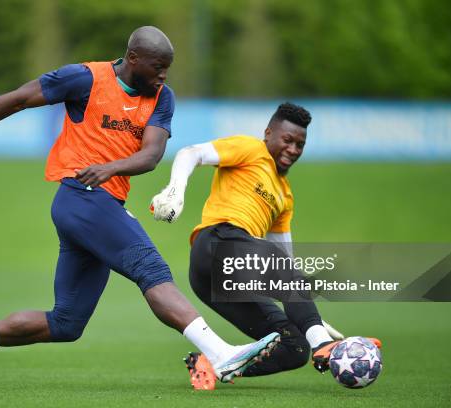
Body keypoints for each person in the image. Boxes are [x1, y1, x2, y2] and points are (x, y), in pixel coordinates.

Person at [0, 26, 280, 389]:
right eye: (158, 66)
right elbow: (15, 100)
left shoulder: (161, 97)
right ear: (133, 58)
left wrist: (111, 168)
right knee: (149, 266)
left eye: (167, 68)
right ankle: (219, 354)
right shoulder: (83, 78)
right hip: (80, 199)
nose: (164, 75)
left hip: (97, 204)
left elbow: (151, 155)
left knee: (66, 323)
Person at [150, 102, 381, 390]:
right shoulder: (250, 149)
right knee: (276, 262)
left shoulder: (284, 196)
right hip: (216, 246)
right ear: (268, 133)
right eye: (288, 140)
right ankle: (323, 345)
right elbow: (190, 153)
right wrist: (175, 190)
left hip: (227, 279)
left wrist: (311, 318)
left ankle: (215, 365)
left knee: (296, 347)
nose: (293, 149)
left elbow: (286, 268)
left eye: (300, 144)